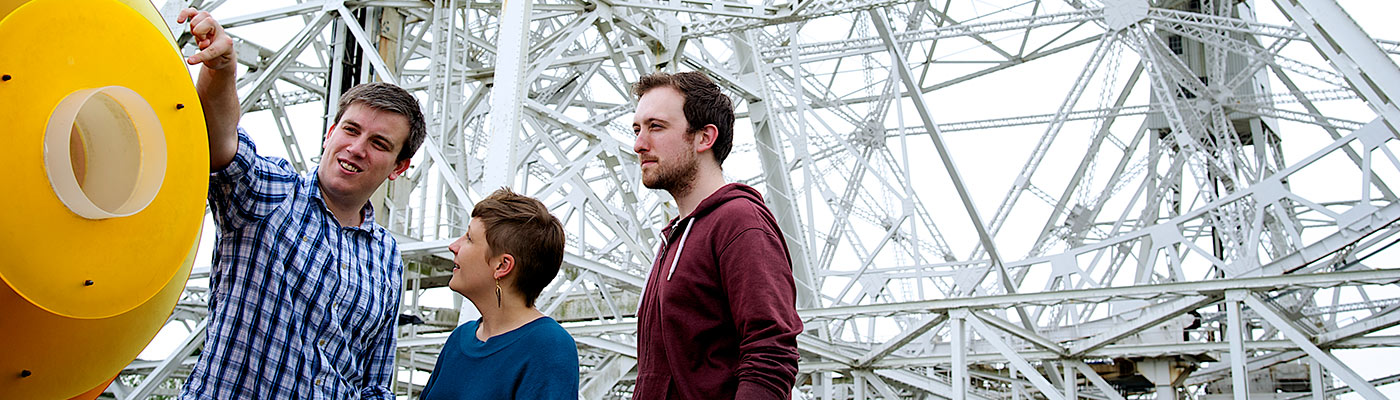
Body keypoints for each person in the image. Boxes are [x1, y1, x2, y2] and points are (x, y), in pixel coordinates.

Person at [177, 8, 426, 399]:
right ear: (330, 133)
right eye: (351, 130)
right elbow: (219, 143)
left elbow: (374, 384)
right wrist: (221, 71)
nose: (356, 149)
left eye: (379, 144)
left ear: (399, 167)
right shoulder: (272, 195)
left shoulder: (388, 256)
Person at [630, 71, 803, 399]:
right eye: (637, 129)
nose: (639, 144)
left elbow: (771, 354)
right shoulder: (676, 237)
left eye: (656, 127)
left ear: (704, 138)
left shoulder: (740, 222)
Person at [419, 188, 579, 399]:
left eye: (469, 238)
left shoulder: (549, 347)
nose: (453, 246)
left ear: (502, 265)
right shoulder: (459, 339)